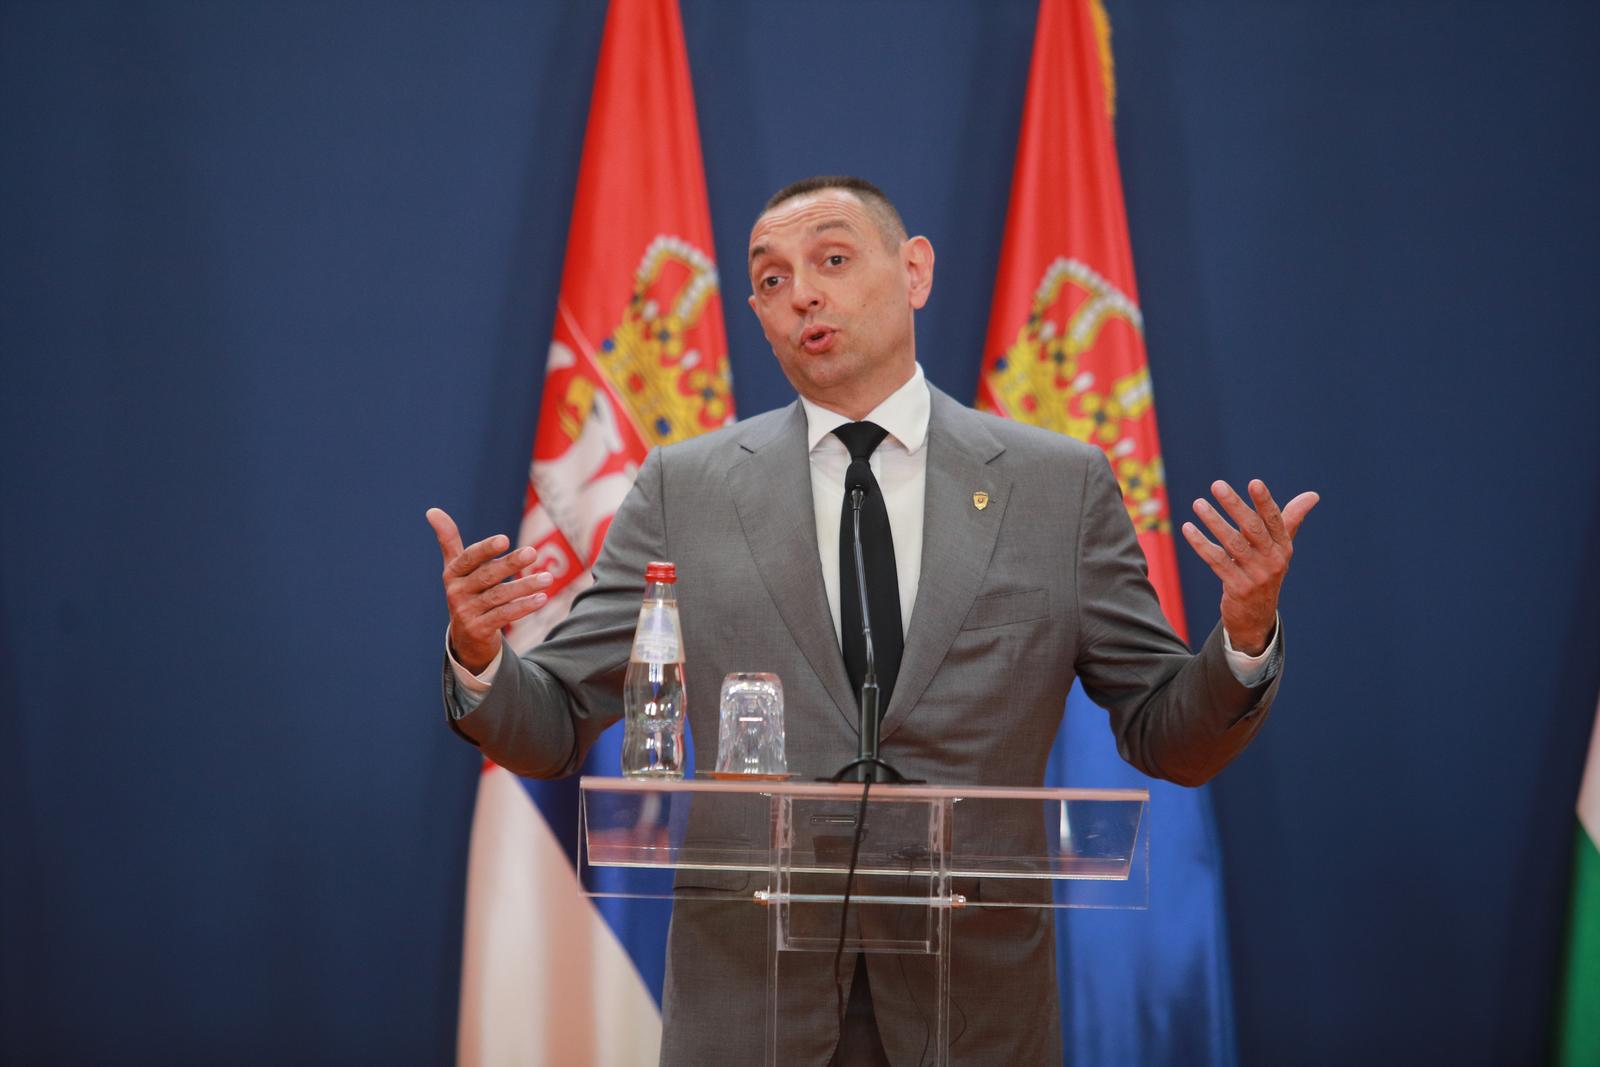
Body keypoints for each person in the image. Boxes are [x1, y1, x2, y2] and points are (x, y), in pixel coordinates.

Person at [427, 176, 1317, 1066]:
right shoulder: (685, 488)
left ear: (915, 270)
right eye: (771, 281)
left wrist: (1241, 636)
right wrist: (480, 656)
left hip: (976, 1010)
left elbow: (1170, 734)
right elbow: (549, 724)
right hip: (750, 1005)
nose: (802, 293)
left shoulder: (1057, 488)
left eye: (834, 259)